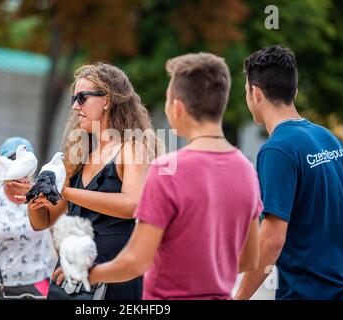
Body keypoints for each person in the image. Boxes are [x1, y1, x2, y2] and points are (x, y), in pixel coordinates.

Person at [85, 53, 262, 299]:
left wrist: (89, 273)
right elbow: (250, 258)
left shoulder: (167, 169)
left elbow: (136, 262)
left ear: (176, 107)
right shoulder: (247, 170)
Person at [7, 63, 163, 300]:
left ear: (107, 101)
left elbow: (132, 204)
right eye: (74, 99)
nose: (75, 106)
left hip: (113, 275)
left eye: (82, 97)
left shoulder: (131, 148)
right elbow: (43, 221)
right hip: (70, 273)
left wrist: (63, 191)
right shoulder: (78, 155)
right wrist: (35, 196)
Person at [235, 45, 343, 300]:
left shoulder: (276, 150)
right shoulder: (328, 138)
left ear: (255, 93)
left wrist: (238, 296)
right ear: (294, 90)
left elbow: (272, 239)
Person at [0, 137, 56, 300]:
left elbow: (60, 242)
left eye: (22, 162)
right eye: (11, 160)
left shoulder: (45, 198)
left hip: (38, 287)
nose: (18, 168)